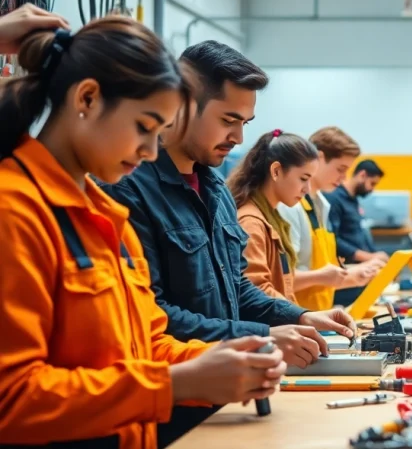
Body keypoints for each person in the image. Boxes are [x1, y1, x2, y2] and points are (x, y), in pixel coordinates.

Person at [0, 8, 286, 448]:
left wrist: (220, 359)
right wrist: (177, 385)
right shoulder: (15, 212)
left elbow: (147, 343)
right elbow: (12, 401)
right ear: (88, 99)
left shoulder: (105, 217)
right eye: (144, 127)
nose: (152, 152)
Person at [104, 41, 357, 371]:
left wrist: (301, 316)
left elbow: (236, 288)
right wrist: (261, 335)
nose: (238, 137)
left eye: (245, 123)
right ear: (182, 104)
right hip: (174, 396)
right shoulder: (129, 191)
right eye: (228, 120)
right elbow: (153, 313)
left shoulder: (217, 193)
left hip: (230, 387)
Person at [278, 126, 381, 312]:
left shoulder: (322, 205)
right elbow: (280, 280)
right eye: (340, 169)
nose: (343, 179)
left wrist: (354, 276)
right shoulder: (290, 207)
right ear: (319, 157)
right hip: (293, 318)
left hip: (319, 314)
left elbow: (320, 271)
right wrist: (326, 276)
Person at [227, 130, 319, 303]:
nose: (307, 189)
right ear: (276, 171)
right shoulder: (251, 223)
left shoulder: (270, 216)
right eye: (303, 178)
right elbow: (257, 291)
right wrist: (302, 316)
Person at [325, 159, 390, 306]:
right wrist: (368, 257)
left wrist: (376, 256)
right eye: (372, 183)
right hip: (346, 276)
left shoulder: (353, 200)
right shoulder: (334, 199)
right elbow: (333, 240)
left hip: (362, 272)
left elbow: (359, 234)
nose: (372, 189)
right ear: (362, 175)